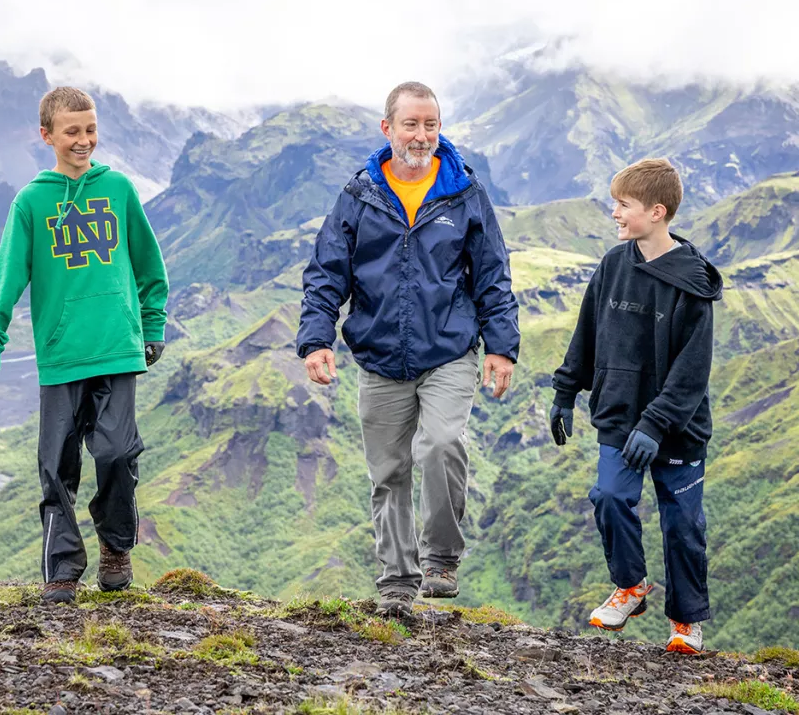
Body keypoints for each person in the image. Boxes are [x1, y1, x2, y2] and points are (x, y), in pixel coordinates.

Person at [297, 81, 520, 617]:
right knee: (389, 471)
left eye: (430, 125)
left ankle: (441, 558)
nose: (421, 135)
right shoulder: (359, 196)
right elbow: (328, 272)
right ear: (388, 129)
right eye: (411, 124)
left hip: (449, 349)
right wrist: (316, 339)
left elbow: (492, 272)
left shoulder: (464, 193)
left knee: (441, 444)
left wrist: (501, 346)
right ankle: (397, 577)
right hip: (378, 356)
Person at [0, 86, 169, 605]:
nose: (84, 141)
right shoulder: (32, 202)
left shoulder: (119, 189)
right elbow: (6, 279)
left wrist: (152, 324)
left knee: (119, 451)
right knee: (57, 464)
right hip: (61, 355)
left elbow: (150, 265)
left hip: (117, 346)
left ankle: (115, 544)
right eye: (72, 132)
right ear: (48, 136)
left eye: (90, 130)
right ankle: (62, 568)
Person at [550, 158, 721, 654]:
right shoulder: (612, 264)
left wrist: (657, 423)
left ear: (657, 211)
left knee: (683, 525)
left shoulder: (692, 285)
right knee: (608, 497)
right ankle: (631, 587)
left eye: (623, 206)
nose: (615, 214)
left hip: (676, 429)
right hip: (620, 418)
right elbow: (588, 334)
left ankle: (686, 622)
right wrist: (566, 391)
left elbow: (693, 373)